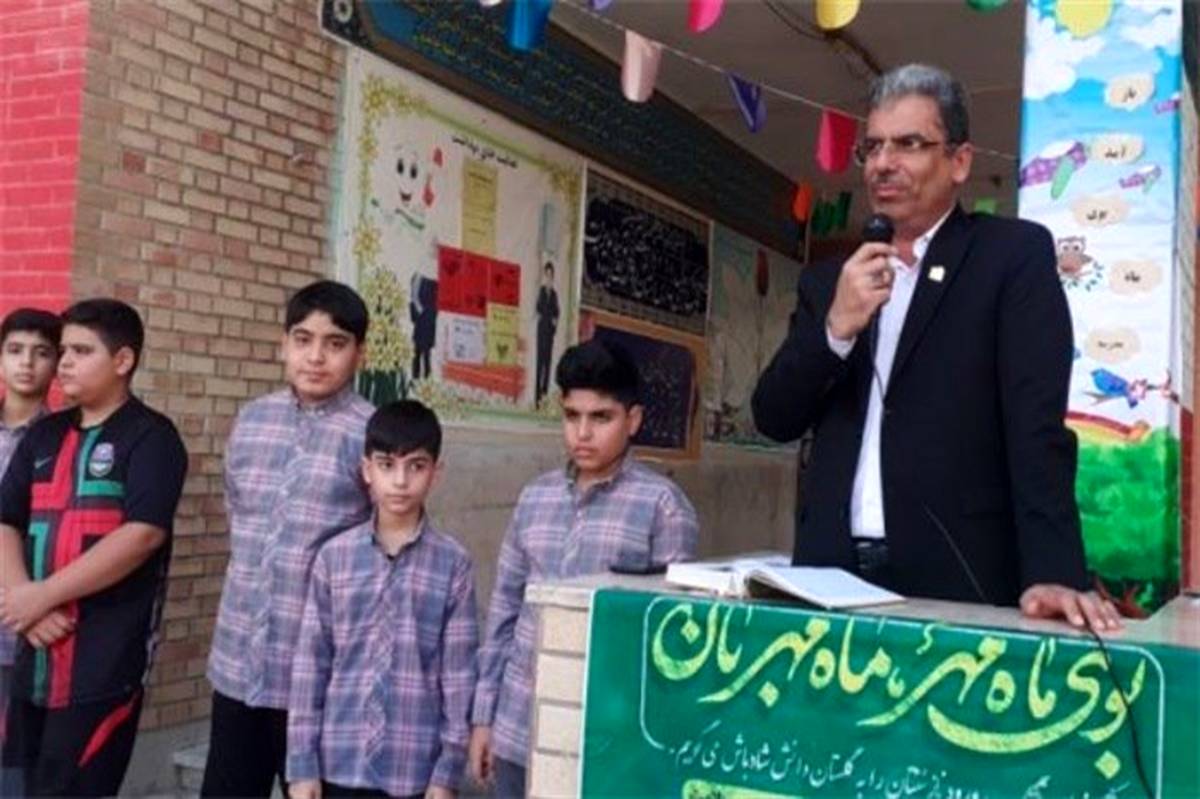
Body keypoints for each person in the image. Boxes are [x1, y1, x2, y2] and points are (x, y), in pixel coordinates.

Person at [752, 63, 1120, 632]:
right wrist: (836, 330)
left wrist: (1054, 570)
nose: (883, 163)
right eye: (873, 147)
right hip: (830, 575)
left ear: (959, 162)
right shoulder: (831, 282)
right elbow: (773, 417)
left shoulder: (1009, 257)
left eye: (909, 144)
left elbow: (1036, 428)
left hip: (961, 573)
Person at [469, 339, 699, 796]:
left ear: (633, 420)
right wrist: (483, 719)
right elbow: (504, 614)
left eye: (601, 418)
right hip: (518, 727)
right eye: (572, 416)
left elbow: (671, 641)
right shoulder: (535, 498)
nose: (583, 433)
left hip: (604, 737)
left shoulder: (664, 508)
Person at [0, 299, 187, 796]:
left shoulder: (152, 437)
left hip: (102, 665)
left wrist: (43, 595)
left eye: (81, 352)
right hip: (34, 655)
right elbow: (5, 519)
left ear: (122, 360)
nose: (63, 364)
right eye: (63, 351)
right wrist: (23, 599)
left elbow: (142, 534)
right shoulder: (43, 434)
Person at [203, 280, 375, 797]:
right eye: (303, 340)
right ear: (283, 345)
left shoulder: (371, 434)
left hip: (321, 675)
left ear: (360, 354)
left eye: (335, 343)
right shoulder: (252, 420)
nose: (315, 357)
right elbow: (238, 512)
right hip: (239, 659)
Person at [286, 400, 476, 799]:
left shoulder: (453, 564)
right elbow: (310, 665)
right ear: (366, 470)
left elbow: (458, 676)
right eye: (387, 465)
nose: (401, 481)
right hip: (339, 761)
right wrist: (302, 765)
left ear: (436, 472)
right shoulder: (334, 558)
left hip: (414, 769)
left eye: (416, 466)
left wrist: (447, 772)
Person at [0, 309, 61, 757]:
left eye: (41, 353)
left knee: (15, 758)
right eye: (15, 350)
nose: (27, 363)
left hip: (23, 619)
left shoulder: (62, 439)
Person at [534, 262, 560, 407]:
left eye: (551, 275)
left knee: (547, 364)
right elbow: (538, 308)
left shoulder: (554, 294)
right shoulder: (541, 291)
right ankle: (537, 397)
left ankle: (544, 396)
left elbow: (557, 312)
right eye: (547, 275)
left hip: (550, 333)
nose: (549, 278)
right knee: (540, 364)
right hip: (541, 331)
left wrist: (554, 322)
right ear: (545, 276)